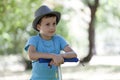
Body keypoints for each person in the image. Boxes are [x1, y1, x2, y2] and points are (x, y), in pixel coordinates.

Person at [24, 5, 77, 80]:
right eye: (47, 24)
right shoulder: (34, 40)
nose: (52, 27)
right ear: (39, 27)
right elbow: (31, 55)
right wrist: (53, 56)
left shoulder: (58, 39)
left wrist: (60, 56)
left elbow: (73, 54)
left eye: (54, 23)